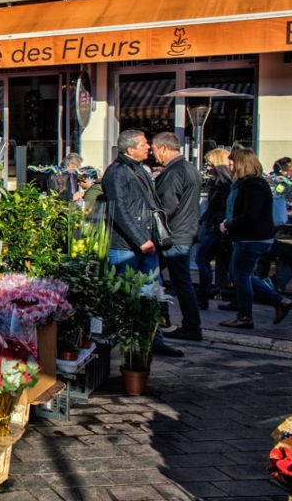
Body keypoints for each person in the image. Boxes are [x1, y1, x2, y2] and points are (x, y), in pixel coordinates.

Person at [100, 129, 182, 357]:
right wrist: (141, 240)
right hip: (126, 247)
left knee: (152, 293)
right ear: (130, 149)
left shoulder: (139, 170)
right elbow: (120, 210)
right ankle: (123, 343)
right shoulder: (117, 172)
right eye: (144, 144)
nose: (149, 147)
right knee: (124, 297)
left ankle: (154, 339)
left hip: (145, 243)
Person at [219, 147, 292, 329]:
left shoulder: (254, 185)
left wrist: (228, 224)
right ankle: (279, 301)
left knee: (240, 275)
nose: (230, 168)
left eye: (232, 164)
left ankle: (245, 315)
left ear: (242, 165)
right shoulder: (247, 184)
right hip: (248, 237)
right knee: (239, 274)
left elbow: (250, 215)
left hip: (251, 238)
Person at [152, 133, 201, 342]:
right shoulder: (189, 168)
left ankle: (190, 327)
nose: (154, 154)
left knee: (176, 280)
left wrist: (150, 220)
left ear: (163, 148)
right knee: (163, 277)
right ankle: (166, 320)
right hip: (183, 232)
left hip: (174, 235)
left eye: (154, 149)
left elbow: (167, 207)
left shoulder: (175, 171)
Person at [196, 147, 233, 309]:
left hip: (217, 227)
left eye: (210, 164)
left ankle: (204, 295)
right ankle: (210, 292)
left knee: (202, 259)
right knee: (207, 260)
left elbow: (224, 208)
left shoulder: (225, 185)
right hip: (213, 225)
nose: (208, 167)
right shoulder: (218, 183)